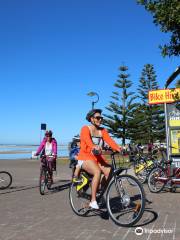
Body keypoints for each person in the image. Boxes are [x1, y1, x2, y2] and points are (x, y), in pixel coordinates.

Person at [77, 109, 121, 209]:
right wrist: (93, 146)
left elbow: (110, 141)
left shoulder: (102, 130)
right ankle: (93, 200)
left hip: (97, 158)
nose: (100, 119)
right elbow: (88, 141)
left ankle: (99, 192)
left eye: (101, 117)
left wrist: (119, 148)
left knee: (110, 170)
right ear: (91, 119)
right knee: (97, 171)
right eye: (98, 117)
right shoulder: (85, 128)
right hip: (85, 157)